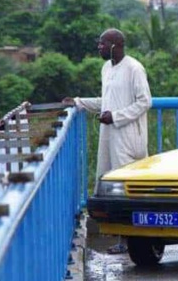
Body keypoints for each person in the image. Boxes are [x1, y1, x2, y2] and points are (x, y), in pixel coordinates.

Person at [63, 28, 152, 255]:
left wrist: (117, 116)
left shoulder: (134, 67)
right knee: (111, 186)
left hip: (129, 136)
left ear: (115, 45)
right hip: (110, 136)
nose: (99, 48)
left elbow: (145, 101)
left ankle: (129, 240)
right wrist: (79, 102)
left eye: (102, 44)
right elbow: (108, 101)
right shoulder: (106, 68)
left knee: (126, 188)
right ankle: (120, 236)